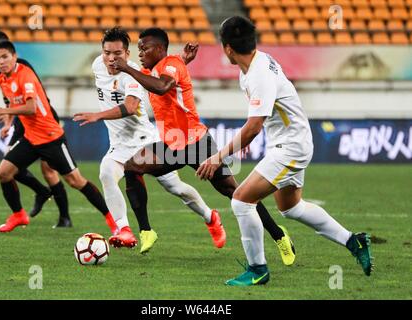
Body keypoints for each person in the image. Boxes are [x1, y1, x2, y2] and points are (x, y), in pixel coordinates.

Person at [196, 16, 373, 286]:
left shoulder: (258, 75)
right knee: (291, 208)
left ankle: (258, 269)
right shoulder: (256, 64)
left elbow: (254, 127)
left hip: (290, 146)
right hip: (293, 141)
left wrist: (218, 156)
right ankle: (353, 241)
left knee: (241, 201)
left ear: (227, 48)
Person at [111, 27, 296, 266]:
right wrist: (181, 59)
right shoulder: (161, 67)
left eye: (144, 48)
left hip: (197, 144)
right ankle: (147, 231)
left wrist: (126, 67)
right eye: (139, 49)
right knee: (133, 168)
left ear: (159, 48)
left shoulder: (170, 66)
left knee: (236, 193)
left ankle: (279, 236)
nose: (140, 53)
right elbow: (160, 75)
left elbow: (163, 86)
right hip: (172, 145)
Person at [73, 27, 224, 253]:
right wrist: (182, 59)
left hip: (144, 140)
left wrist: (98, 115)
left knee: (176, 188)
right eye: (107, 53)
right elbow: (162, 71)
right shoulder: (97, 65)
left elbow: (131, 106)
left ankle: (210, 216)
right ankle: (124, 230)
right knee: (106, 172)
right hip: (118, 144)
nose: (111, 59)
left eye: (118, 54)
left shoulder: (131, 74)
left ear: (127, 54)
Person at [0, 39, 118, 235]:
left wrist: (4, 110)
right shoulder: (2, 78)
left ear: (14, 56)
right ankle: (18, 215)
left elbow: (31, 108)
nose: (1, 61)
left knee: (75, 181)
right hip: (31, 138)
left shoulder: (26, 76)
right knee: (4, 173)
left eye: (5, 56)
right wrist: (8, 122)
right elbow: (13, 103)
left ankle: (112, 220)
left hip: (50, 137)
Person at [0, 30, 71, 228]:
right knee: (9, 166)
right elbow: (9, 100)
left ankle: (64, 217)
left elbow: (30, 101)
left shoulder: (22, 66)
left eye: (0, 50)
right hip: (22, 121)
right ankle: (41, 191)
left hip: (43, 118)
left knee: (49, 170)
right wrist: (7, 123)